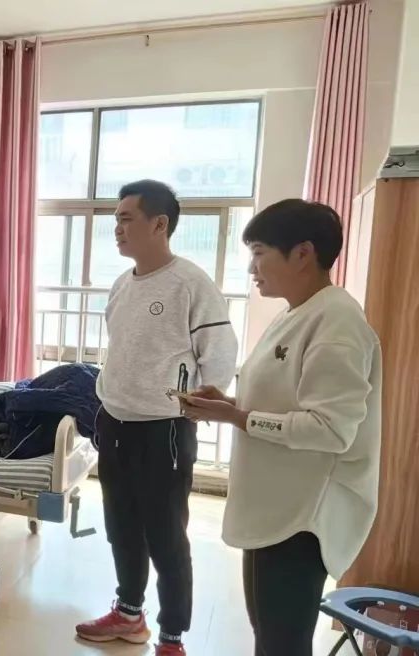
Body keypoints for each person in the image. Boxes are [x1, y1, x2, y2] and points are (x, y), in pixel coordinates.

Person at [182, 199, 381, 656]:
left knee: (282, 641)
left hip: (302, 516)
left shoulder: (337, 322)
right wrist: (230, 404)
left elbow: (330, 429)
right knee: (270, 634)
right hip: (277, 504)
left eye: (259, 252)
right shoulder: (298, 312)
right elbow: (289, 403)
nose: (251, 267)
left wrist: (237, 417)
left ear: (303, 253)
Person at [76, 180, 238, 656]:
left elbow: (219, 352)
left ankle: (172, 637)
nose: (117, 228)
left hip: (163, 429)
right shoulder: (122, 284)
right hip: (115, 421)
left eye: (127, 219)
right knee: (121, 526)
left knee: (166, 536)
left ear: (159, 224)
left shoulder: (190, 283)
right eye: (116, 219)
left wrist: (202, 401)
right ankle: (129, 614)